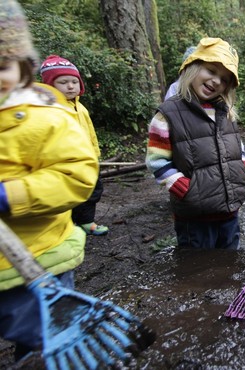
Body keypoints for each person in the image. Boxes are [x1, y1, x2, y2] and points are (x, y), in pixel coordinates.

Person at [0, 0, 98, 360]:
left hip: (41, 255)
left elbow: (75, 174)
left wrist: (10, 195)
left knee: (44, 339)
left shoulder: (45, 118)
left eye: (2, 66)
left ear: (23, 68)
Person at [145, 37, 245, 250]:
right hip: (195, 216)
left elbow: (236, 147)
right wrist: (185, 189)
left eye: (223, 79)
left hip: (229, 210)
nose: (215, 81)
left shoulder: (226, 112)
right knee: (198, 269)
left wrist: (244, 168)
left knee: (230, 262)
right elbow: (157, 161)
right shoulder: (168, 114)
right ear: (193, 68)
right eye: (211, 71)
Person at [39, 55, 109, 236]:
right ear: (49, 86)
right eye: (63, 82)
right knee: (67, 194)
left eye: (74, 81)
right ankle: (66, 226)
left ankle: (86, 221)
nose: (70, 86)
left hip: (88, 160)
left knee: (93, 190)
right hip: (65, 163)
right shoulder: (50, 110)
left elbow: (90, 133)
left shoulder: (81, 107)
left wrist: (95, 153)